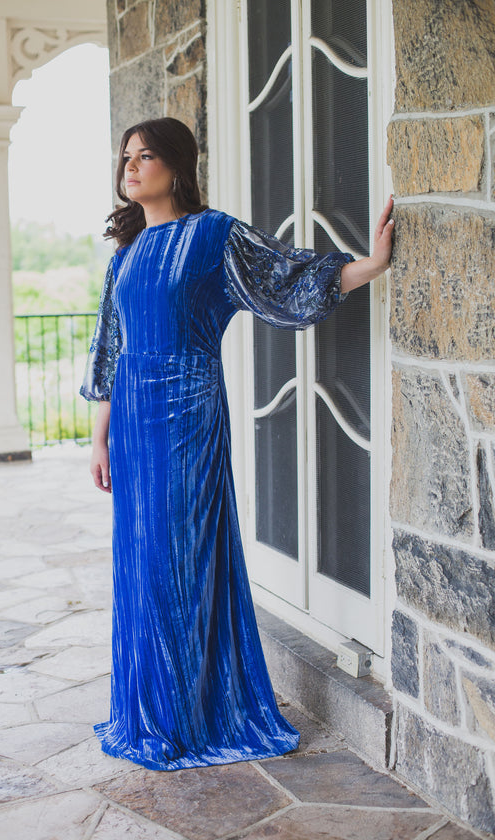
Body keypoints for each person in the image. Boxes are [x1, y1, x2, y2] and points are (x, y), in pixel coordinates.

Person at [80, 117, 394, 771]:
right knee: (143, 563)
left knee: (182, 562)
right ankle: (151, 709)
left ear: (177, 166)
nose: (131, 167)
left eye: (146, 156)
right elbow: (108, 353)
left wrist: (373, 264)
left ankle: (191, 714)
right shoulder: (126, 252)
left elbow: (286, 279)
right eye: (125, 157)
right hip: (135, 427)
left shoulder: (215, 235)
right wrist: (99, 441)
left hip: (189, 417)